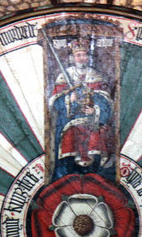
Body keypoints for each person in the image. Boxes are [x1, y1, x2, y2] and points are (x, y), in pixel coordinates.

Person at [48, 39, 114, 180]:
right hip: (68, 119)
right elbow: (54, 103)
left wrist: (95, 110)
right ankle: (68, 174)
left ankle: (95, 174)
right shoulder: (64, 76)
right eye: (78, 55)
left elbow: (105, 101)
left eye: (84, 55)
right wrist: (68, 100)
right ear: (73, 58)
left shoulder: (95, 76)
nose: (82, 58)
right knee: (68, 134)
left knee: (98, 134)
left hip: (92, 120)